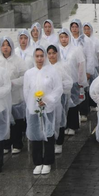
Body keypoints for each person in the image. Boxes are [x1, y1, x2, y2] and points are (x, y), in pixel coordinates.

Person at [23, 46, 63, 175]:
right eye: (37, 56)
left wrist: (47, 99)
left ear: (45, 57)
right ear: (34, 57)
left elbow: (58, 89)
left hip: (48, 108)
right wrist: (32, 104)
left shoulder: (52, 71)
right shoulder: (29, 73)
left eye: (42, 56)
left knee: (48, 134)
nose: (39, 59)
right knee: (36, 135)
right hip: (34, 109)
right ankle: (38, 162)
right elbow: (26, 91)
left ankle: (47, 161)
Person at [0, 37, 27, 155]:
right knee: (4, 121)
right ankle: (6, 144)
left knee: (16, 121)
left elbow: (25, 76)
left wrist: (13, 83)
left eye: (7, 45)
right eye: (3, 45)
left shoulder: (18, 60)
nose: (5, 47)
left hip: (15, 96)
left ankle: (17, 144)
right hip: (2, 98)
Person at [57, 28, 88, 136]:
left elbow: (81, 65)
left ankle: (73, 125)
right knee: (63, 104)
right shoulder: (56, 50)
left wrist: (81, 80)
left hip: (74, 80)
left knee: (73, 104)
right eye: (61, 37)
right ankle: (63, 125)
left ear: (69, 38)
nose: (63, 39)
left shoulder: (76, 49)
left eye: (65, 37)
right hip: (60, 82)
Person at [46, 45, 73, 154]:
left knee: (59, 119)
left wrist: (58, 86)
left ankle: (59, 142)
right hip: (47, 99)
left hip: (60, 97)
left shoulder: (62, 66)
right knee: (49, 119)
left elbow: (69, 82)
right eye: (49, 53)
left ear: (57, 53)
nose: (51, 55)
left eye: (53, 53)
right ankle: (50, 140)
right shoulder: (45, 67)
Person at [69, 19, 96, 122]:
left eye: (76, 27)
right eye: (72, 27)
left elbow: (90, 56)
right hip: (72, 69)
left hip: (83, 68)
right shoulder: (69, 39)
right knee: (74, 90)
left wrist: (88, 71)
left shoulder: (86, 40)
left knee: (83, 90)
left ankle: (84, 112)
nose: (74, 29)